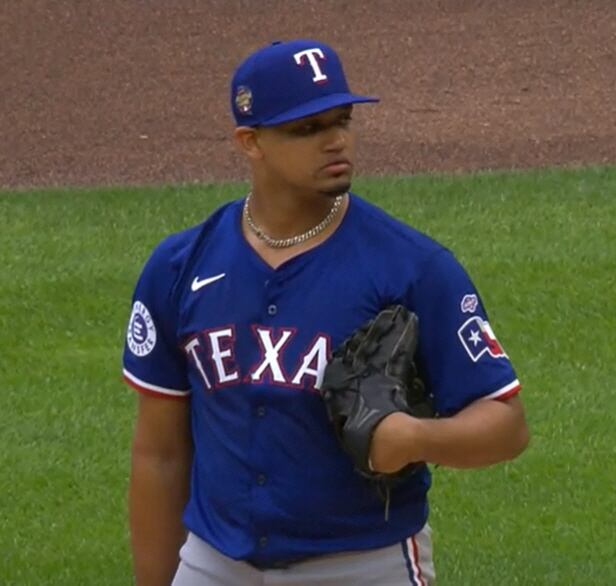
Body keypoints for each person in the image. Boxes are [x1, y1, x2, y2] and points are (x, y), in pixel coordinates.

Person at [123, 39, 529, 586]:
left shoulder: (412, 267)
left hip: (363, 565)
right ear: (250, 142)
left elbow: (507, 425)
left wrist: (414, 437)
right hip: (214, 563)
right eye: (307, 129)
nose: (336, 140)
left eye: (342, 120)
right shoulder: (179, 267)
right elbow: (160, 453)